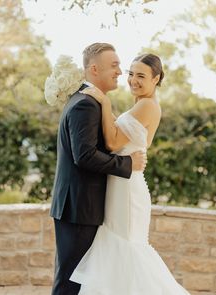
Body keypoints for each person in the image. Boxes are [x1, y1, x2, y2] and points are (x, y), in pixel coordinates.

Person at [70, 53, 191, 294]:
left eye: (141, 76)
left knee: (125, 249)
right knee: (119, 252)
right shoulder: (142, 104)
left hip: (127, 190)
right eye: (131, 73)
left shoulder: (147, 105)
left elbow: (114, 143)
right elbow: (123, 135)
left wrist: (104, 103)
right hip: (122, 183)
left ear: (156, 79)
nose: (133, 80)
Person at [48, 43, 147, 295]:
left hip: (79, 206)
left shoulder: (88, 101)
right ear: (94, 69)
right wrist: (128, 164)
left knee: (78, 279)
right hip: (80, 208)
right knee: (71, 282)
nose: (119, 71)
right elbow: (85, 156)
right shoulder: (86, 105)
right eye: (114, 65)